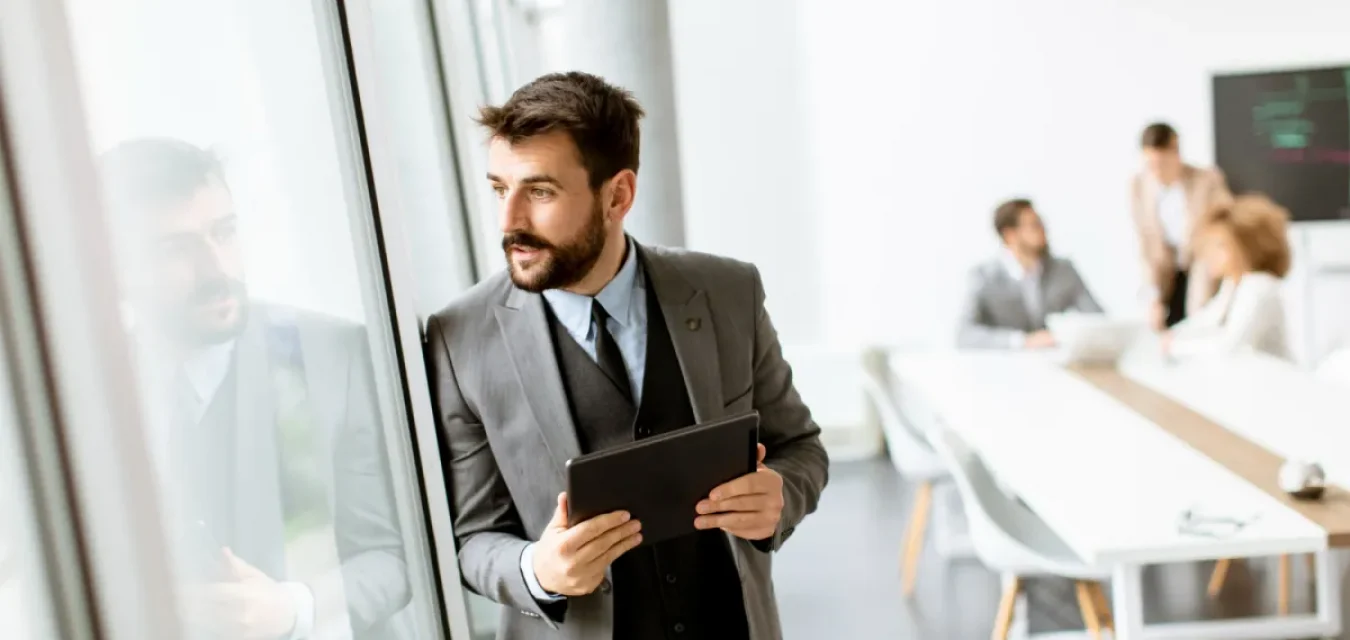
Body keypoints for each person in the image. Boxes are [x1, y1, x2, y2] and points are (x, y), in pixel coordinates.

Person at [426, 71, 829, 639]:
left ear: (617, 195)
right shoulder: (458, 337)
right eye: (499, 188)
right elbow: (472, 538)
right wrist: (536, 571)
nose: (509, 221)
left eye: (539, 192)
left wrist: (780, 496)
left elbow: (801, 446)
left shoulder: (728, 291)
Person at [99, 138, 414, 639]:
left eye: (223, 233)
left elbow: (397, 556)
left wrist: (293, 610)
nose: (216, 268)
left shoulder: (335, 354)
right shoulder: (87, 392)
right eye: (173, 249)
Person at [957, 198, 1102, 349]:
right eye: (1034, 226)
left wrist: (1070, 335)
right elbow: (964, 335)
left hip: (1054, 361)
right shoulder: (983, 276)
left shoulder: (1063, 270)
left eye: (1042, 225)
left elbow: (1098, 319)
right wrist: (1022, 341)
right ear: (1010, 235)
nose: (1043, 232)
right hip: (1006, 364)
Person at [1130, 123, 1234, 329]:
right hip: (1165, 271)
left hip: (1202, 265)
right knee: (1160, 325)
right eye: (1151, 164)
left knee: (1201, 322)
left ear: (1176, 152)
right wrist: (1152, 299)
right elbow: (1146, 246)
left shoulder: (1207, 180)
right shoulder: (1138, 186)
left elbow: (1225, 227)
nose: (1157, 171)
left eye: (1162, 163)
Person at [1162, 194, 1292, 359]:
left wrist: (1175, 347)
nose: (1210, 255)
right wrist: (1171, 336)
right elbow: (1204, 321)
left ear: (1248, 246)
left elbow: (1229, 347)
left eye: (1220, 246)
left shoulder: (1259, 287)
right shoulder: (1232, 285)